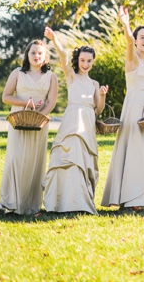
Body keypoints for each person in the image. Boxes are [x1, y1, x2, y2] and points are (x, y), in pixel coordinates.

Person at [42, 28, 107, 214]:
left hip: (87, 122)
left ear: (93, 62)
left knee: (84, 161)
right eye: (83, 60)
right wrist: (54, 39)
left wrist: (102, 95)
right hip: (72, 121)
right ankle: (63, 202)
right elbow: (62, 56)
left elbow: (98, 109)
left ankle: (81, 202)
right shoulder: (71, 76)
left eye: (89, 61)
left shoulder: (94, 83)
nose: (85, 64)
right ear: (77, 60)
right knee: (70, 158)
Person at [0, 40, 59, 215]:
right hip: (18, 119)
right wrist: (25, 102)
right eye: (33, 53)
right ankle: (6, 202)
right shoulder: (17, 73)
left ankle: (29, 206)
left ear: (45, 57)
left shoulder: (51, 77)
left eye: (40, 53)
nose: (36, 56)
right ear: (27, 55)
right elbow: (6, 97)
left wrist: (39, 116)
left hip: (39, 122)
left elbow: (51, 102)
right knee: (15, 158)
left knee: (33, 161)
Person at [101, 7, 144, 212]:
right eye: (142, 36)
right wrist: (126, 25)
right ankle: (129, 199)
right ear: (135, 40)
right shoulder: (132, 59)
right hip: (134, 109)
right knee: (133, 151)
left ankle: (141, 198)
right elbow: (127, 41)